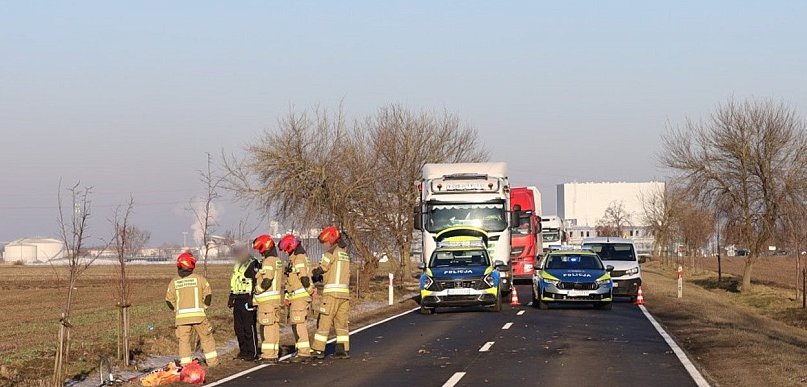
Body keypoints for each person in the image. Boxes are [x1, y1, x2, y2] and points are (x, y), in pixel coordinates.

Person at [165, 252, 219, 367]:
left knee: (184, 342)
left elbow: (169, 301)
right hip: (199, 317)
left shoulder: (174, 282)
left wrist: (177, 310)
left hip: (181, 319)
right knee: (206, 338)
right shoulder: (200, 279)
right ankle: (213, 363)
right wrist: (204, 307)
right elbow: (208, 295)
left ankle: (186, 366)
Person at [311, 226, 351, 359]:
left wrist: (314, 274)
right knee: (341, 324)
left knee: (324, 321)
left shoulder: (330, 253)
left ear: (330, 240)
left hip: (331, 294)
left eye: (325, 242)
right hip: (344, 295)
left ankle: (318, 349)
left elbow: (323, 268)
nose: (324, 245)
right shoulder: (344, 253)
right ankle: (343, 349)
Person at [278, 234, 315, 362]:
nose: (285, 252)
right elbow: (290, 280)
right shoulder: (295, 258)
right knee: (296, 324)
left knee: (299, 324)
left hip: (300, 297)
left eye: (286, 249)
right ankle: (301, 350)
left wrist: (310, 290)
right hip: (295, 297)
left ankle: (304, 353)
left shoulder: (299, 259)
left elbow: (304, 278)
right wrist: (287, 296)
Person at [252, 234, 285, 364]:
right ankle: (273, 352)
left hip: (267, 302)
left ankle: (268, 355)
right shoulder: (276, 260)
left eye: (260, 248)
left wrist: (257, 290)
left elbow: (267, 280)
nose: (260, 251)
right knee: (273, 327)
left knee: (267, 328)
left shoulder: (268, 261)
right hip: (275, 300)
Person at [227, 241, 260, 361]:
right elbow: (235, 281)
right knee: (239, 328)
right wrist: (231, 296)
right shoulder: (237, 264)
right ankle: (243, 351)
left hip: (248, 298)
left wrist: (253, 299)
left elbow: (256, 281)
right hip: (238, 298)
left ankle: (252, 352)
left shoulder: (253, 263)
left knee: (248, 327)